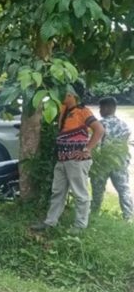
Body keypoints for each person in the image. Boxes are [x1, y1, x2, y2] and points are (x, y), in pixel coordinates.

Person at [31, 82, 104, 233]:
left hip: (76, 160)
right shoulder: (63, 109)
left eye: (63, 91)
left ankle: (80, 226)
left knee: (80, 193)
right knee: (58, 191)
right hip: (63, 159)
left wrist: (87, 150)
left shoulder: (83, 112)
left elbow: (99, 130)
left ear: (72, 95)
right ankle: (50, 222)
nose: (60, 94)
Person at [90, 96, 132, 219]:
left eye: (101, 108)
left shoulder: (100, 125)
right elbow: (125, 145)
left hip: (102, 162)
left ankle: (94, 212)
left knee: (98, 189)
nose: (100, 110)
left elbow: (95, 145)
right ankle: (128, 216)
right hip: (119, 162)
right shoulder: (124, 125)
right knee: (123, 189)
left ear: (108, 108)